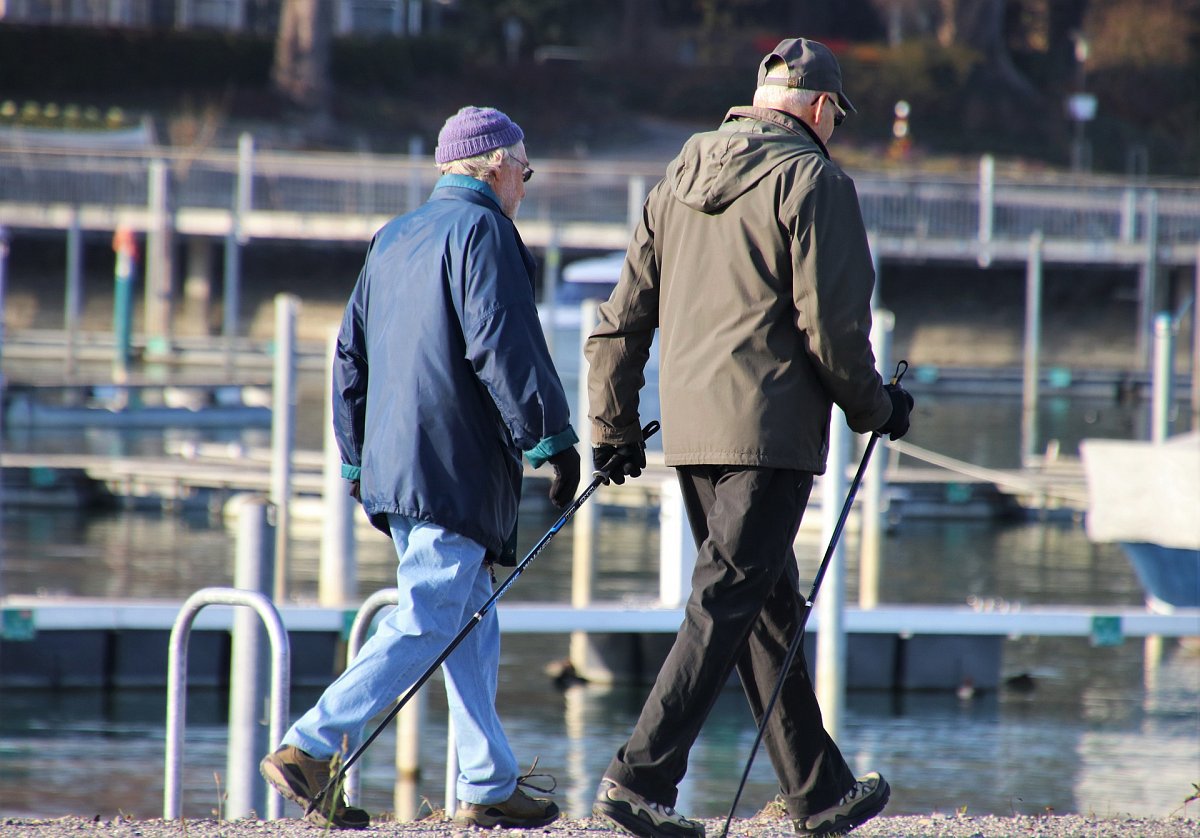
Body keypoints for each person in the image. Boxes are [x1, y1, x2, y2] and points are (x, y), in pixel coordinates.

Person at [585, 39, 913, 838]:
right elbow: (834, 331)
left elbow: (621, 318)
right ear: (820, 107)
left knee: (764, 608)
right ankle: (640, 779)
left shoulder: (678, 175)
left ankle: (819, 789)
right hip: (767, 433)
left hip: (695, 434)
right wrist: (879, 408)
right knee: (728, 601)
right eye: (836, 113)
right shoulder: (817, 181)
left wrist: (613, 424)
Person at [260, 105, 580, 830]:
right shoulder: (484, 230)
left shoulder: (394, 236)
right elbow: (503, 341)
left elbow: (350, 355)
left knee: (469, 618)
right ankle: (310, 745)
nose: (525, 186)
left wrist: (353, 456)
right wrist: (552, 440)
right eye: (524, 171)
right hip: (453, 463)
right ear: (496, 166)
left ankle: (487, 782)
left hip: (396, 466)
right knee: (430, 614)